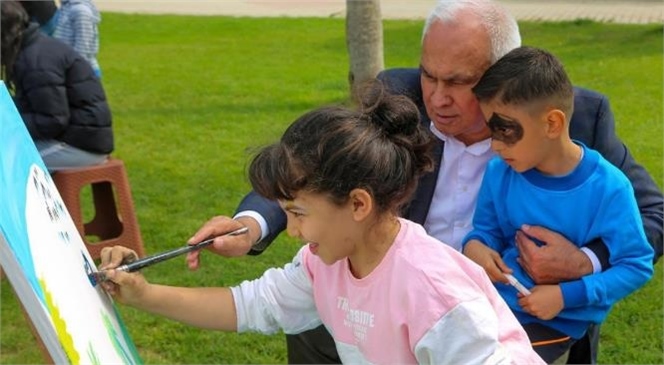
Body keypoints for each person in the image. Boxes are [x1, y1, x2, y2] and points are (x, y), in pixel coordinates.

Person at [185, 0, 664, 363]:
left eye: (458, 82)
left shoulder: (573, 117)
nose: (437, 97)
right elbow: (319, 165)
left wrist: (584, 260)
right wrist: (252, 223)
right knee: (314, 323)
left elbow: (653, 214)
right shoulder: (398, 93)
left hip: (514, 312)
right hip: (390, 291)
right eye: (429, 75)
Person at [99, 85, 545, 364]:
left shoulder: (434, 293)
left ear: (357, 204)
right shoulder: (326, 262)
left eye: (298, 214)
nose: (291, 232)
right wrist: (143, 294)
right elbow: (252, 306)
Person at [460, 45, 655, 363]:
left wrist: (565, 296)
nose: (495, 145)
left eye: (505, 131)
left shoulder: (609, 188)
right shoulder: (500, 172)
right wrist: (476, 247)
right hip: (493, 307)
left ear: (552, 124)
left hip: (557, 323)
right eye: (490, 131)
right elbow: (486, 230)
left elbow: (635, 265)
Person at [1, 0, 113, 173]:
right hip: (70, 137)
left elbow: (52, 120)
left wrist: (11, 125)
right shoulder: (30, 49)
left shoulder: (36, 63)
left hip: (81, 145)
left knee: (7, 165)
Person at [52, 0, 102, 78]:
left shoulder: (80, 11)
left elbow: (83, 47)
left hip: (82, 72)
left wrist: (74, 71)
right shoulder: (66, 7)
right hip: (67, 68)